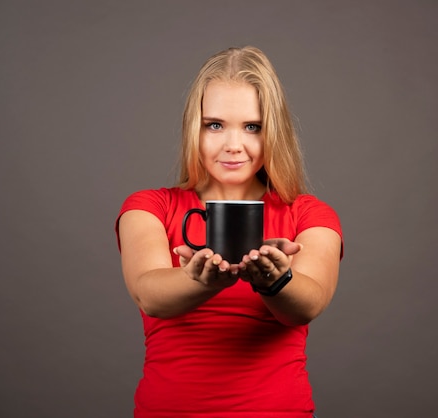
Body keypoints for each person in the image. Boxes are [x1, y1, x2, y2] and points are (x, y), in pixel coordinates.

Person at [115, 46, 343, 418]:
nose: (233, 145)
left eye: (252, 127)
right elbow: (149, 294)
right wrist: (203, 281)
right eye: (215, 125)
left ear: (274, 133)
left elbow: (309, 303)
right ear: (195, 129)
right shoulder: (149, 207)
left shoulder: (309, 214)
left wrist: (274, 279)